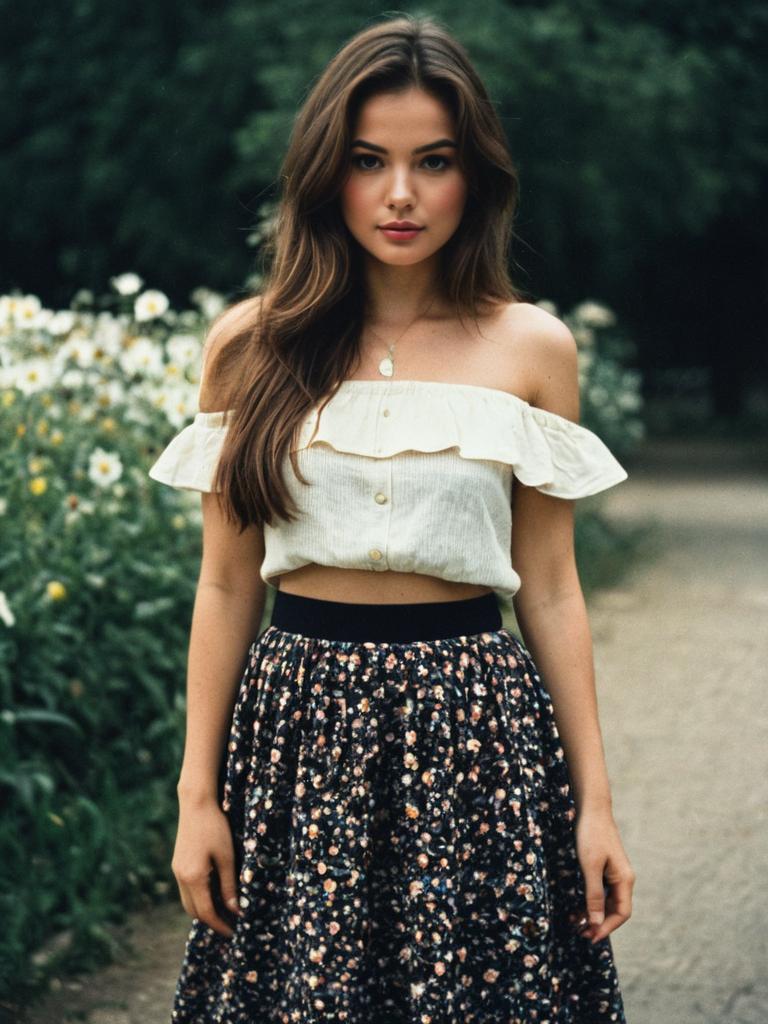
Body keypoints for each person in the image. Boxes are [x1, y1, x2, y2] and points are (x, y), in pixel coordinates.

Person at [148, 14, 635, 1024]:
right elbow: (227, 580)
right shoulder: (250, 345)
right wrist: (198, 793)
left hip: (478, 735)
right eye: (370, 161)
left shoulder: (532, 348)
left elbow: (549, 585)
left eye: (434, 161)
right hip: (296, 735)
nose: (401, 194)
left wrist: (596, 804)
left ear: (476, 176)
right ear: (329, 172)